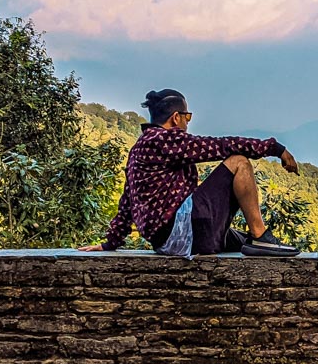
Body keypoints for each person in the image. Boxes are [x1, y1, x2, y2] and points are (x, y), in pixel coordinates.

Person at [80, 88, 301, 257]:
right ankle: (261, 236)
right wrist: (274, 148)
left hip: (166, 242)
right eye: (187, 117)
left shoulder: (139, 147)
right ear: (176, 117)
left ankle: (255, 239)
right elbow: (222, 146)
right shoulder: (166, 139)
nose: (187, 122)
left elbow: (127, 201)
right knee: (239, 162)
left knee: (241, 241)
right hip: (185, 232)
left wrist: (111, 242)